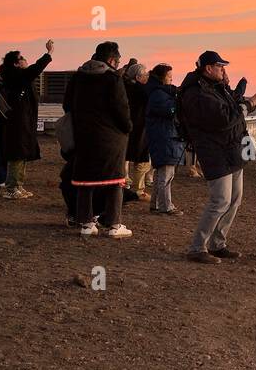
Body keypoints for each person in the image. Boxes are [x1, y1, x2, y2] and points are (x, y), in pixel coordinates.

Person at [178, 50, 256, 263]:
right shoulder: (197, 93)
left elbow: (231, 110)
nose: (223, 70)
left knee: (235, 199)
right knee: (220, 200)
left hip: (231, 149)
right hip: (215, 152)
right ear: (208, 68)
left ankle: (218, 243)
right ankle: (197, 247)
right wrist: (249, 104)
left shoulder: (214, 88)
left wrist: (234, 92)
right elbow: (225, 118)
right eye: (220, 67)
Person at [63, 41, 133, 238]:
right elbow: (121, 109)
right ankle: (114, 224)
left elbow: (67, 105)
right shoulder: (112, 79)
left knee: (85, 181)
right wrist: (127, 127)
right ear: (112, 60)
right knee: (115, 180)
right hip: (111, 138)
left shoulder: (77, 77)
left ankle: (86, 223)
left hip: (83, 136)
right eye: (117, 61)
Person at [0, 41, 53, 199]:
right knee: (17, 153)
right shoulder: (17, 77)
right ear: (16, 64)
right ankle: (12, 188)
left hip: (23, 121)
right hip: (18, 122)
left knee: (21, 154)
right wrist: (48, 53)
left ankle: (18, 185)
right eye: (21, 58)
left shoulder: (17, 78)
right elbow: (35, 69)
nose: (25, 60)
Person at [145, 63, 185, 213]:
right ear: (161, 78)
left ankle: (155, 204)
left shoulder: (158, 93)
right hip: (164, 137)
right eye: (169, 77)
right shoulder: (158, 95)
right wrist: (178, 103)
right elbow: (170, 110)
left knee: (163, 173)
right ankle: (165, 206)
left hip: (163, 136)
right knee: (166, 174)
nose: (171, 80)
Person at [123, 61, 152, 202]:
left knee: (125, 157)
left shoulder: (124, 87)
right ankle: (139, 190)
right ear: (138, 77)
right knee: (142, 161)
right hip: (140, 127)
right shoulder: (141, 90)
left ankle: (123, 186)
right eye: (145, 74)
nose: (147, 76)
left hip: (126, 126)